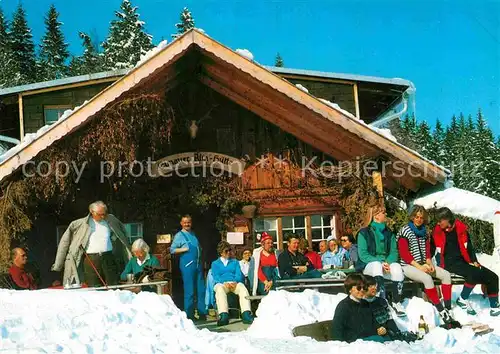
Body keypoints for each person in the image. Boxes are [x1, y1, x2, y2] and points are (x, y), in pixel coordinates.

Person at [397, 205, 459, 327]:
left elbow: (427, 251)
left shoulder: (424, 231)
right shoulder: (405, 231)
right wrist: (420, 267)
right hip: (408, 266)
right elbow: (404, 254)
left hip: (423, 264)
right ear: (412, 217)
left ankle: (448, 308)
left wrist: (429, 263)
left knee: (446, 275)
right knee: (427, 278)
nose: (419, 219)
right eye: (416, 217)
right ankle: (441, 310)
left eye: (421, 217)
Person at [432, 207, 500, 317]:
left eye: (440, 221)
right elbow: (430, 247)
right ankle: (462, 299)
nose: (438, 223)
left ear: (447, 219)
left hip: (464, 261)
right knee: (474, 273)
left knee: (493, 276)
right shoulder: (437, 231)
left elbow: (469, 248)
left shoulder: (461, 229)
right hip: (449, 264)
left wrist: (474, 261)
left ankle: (494, 306)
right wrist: (428, 262)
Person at [52, 201, 132, 287]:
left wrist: (114, 239)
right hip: (91, 259)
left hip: (108, 257)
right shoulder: (79, 224)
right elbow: (64, 242)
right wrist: (58, 264)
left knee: (113, 286)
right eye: (99, 214)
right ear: (91, 212)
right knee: (94, 287)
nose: (102, 216)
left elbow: (122, 233)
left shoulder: (111, 220)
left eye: (104, 214)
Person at [357, 205, 406, 317]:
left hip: (385, 265)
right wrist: (380, 262)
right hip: (369, 266)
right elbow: (363, 255)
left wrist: (388, 262)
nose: (386, 215)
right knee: (376, 265)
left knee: (397, 268)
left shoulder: (389, 232)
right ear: (376, 216)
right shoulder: (364, 233)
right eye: (383, 213)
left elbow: (394, 251)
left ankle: (396, 301)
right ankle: (380, 301)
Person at [170, 215, 208, 321]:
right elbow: (172, 250)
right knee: (189, 290)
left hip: (197, 265)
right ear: (181, 223)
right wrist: (184, 249)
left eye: (189, 222)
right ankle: (189, 314)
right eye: (185, 222)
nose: (187, 224)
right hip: (187, 266)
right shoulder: (179, 235)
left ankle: (202, 313)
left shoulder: (193, 234)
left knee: (201, 290)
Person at [211, 241, 254, 326]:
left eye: (229, 250)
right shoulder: (215, 263)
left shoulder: (234, 262)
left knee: (242, 288)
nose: (228, 253)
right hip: (222, 284)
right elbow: (216, 276)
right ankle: (224, 315)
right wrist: (224, 282)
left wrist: (235, 281)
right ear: (221, 252)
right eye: (226, 251)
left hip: (234, 283)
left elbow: (238, 274)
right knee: (219, 289)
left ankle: (246, 314)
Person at [363, 276, 418, 342]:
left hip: (385, 333)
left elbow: (389, 319)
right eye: (370, 286)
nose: (374, 288)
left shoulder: (382, 301)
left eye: (375, 285)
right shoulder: (360, 304)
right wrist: (376, 330)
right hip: (370, 337)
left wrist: (396, 332)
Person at [331, 273, 380, 342]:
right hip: (353, 344)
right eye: (358, 288)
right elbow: (337, 329)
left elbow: (373, 323)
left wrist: (379, 328)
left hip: (369, 340)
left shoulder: (365, 304)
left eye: (364, 287)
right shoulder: (344, 306)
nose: (362, 290)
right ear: (350, 289)